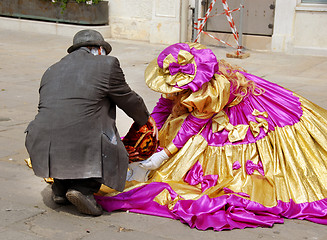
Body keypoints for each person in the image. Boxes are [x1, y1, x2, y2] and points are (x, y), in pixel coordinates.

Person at [95, 42, 327, 230]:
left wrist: (163, 154)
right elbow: (164, 106)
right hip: (208, 111)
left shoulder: (209, 90)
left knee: (214, 152)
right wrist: (150, 127)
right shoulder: (179, 82)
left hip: (244, 111)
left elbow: (192, 125)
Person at [25, 29, 157, 216]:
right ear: (98, 49)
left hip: (39, 138)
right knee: (107, 140)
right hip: (81, 139)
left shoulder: (51, 69)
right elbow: (128, 99)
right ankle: (84, 188)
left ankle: (60, 187)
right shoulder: (107, 64)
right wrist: (145, 119)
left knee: (68, 125)